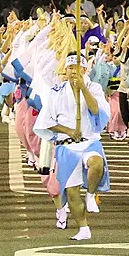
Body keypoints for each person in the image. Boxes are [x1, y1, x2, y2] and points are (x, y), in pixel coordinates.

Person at [33, 53, 111, 242]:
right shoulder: (56, 91)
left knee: (96, 163)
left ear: (84, 70)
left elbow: (96, 110)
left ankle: (91, 194)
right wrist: (68, 130)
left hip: (88, 141)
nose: (72, 71)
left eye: (77, 68)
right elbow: (46, 121)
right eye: (69, 68)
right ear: (65, 71)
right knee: (72, 191)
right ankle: (83, 228)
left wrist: (83, 88)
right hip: (66, 145)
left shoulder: (94, 88)